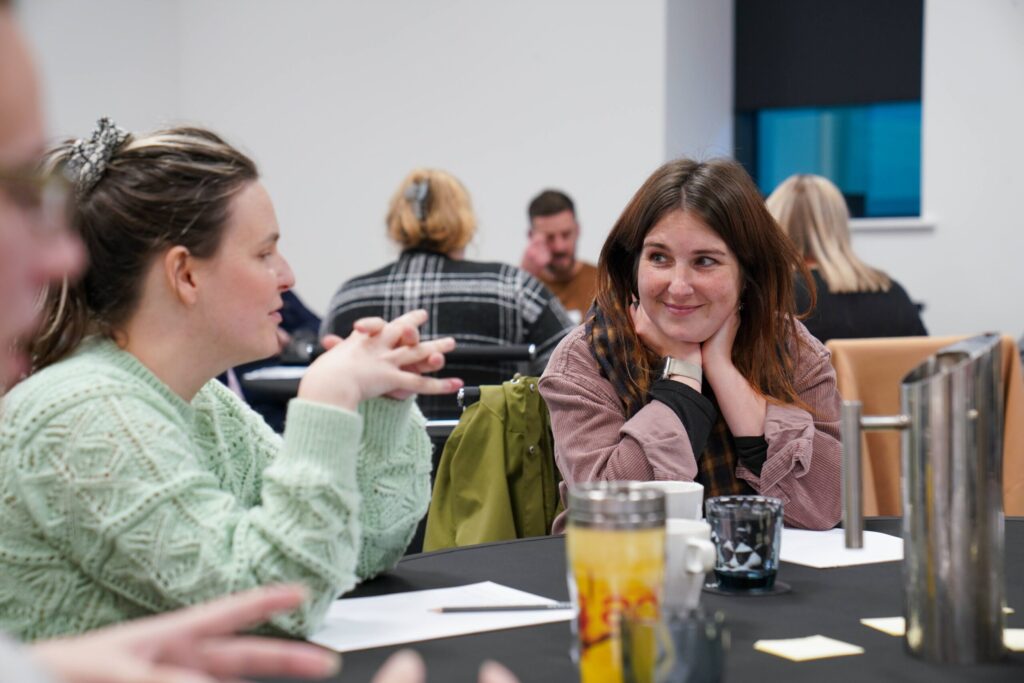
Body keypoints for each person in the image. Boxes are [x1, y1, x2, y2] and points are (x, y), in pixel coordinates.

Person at [0, 116, 464, 642]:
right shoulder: (82, 412)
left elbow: (355, 552)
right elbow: (278, 600)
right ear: (186, 274)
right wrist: (326, 401)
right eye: (264, 253)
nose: (287, 277)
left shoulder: (203, 403)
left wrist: (381, 409)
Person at [539, 158, 842, 532]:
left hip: (765, 577)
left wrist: (723, 373)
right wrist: (682, 374)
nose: (679, 286)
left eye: (705, 261)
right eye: (659, 258)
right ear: (633, 264)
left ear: (747, 273)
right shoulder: (586, 360)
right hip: (631, 581)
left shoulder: (794, 350)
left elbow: (824, 507)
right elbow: (609, 514)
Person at [322, 168, 574, 419]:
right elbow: (575, 372)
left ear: (396, 218)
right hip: (490, 457)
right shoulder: (514, 288)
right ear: (465, 220)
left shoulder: (347, 298)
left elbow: (323, 393)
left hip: (370, 457)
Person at [766, 174, 927, 343]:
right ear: (841, 224)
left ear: (772, 225)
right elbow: (927, 364)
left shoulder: (772, 298)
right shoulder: (892, 293)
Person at [520, 189, 598, 323]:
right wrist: (524, 278)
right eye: (549, 237)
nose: (559, 247)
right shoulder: (522, 286)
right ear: (531, 236)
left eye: (566, 234)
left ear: (577, 230)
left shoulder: (603, 282)